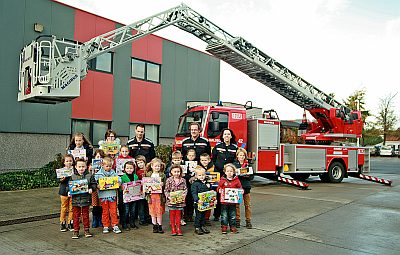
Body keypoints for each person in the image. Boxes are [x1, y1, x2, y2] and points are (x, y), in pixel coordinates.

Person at [211, 128, 238, 221]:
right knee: (218, 193)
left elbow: (235, 160)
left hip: (229, 175)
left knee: (227, 194)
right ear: (222, 136)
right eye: (225, 134)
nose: (226, 136)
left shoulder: (234, 148)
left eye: (228, 134)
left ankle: (227, 215)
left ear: (231, 136)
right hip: (218, 173)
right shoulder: (217, 147)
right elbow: (213, 158)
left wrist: (230, 170)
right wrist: (218, 166)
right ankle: (216, 215)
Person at [70, 158, 97, 239]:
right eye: (79, 166)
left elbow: (94, 184)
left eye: (83, 166)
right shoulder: (72, 176)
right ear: (76, 167)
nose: (81, 168)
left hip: (86, 199)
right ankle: (76, 231)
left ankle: (86, 230)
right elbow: (69, 186)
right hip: (75, 199)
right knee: (76, 216)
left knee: (85, 215)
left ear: (86, 167)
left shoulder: (89, 176)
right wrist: (69, 191)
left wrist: (91, 189)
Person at [95, 157, 122, 234]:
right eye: (107, 166)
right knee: (105, 211)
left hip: (112, 195)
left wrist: (119, 182)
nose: (109, 167)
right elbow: (94, 182)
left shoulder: (113, 172)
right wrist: (97, 185)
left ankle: (115, 225)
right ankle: (106, 225)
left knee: (113, 211)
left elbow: (119, 179)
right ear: (102, 165)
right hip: (103, 196)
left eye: (110, 166)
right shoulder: (98, 174)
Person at [217, 163, 242, 234]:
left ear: (234, 172)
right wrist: (219, 190)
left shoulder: (236, 180)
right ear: (225, 172)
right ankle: (224, 226)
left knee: (233, 215)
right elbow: (218, 187)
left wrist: (241, 191)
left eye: (231, 171)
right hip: (224, 202)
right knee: (224, 215)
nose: (229, 172)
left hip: (232, 202)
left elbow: (239, 188)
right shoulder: (222, 180)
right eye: (227, 171)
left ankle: (233, 226)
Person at [233, 148, 254, 229]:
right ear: (237, 156)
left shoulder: (248, 165)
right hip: (237, 187)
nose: (241, 157)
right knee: (237, 205)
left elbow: (252, 177)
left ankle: (248, 221)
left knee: (247, 205)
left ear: (245, 156)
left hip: (246, 187)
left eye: (243, 155)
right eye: (240, 155)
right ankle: (237, 220)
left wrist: (247, 175)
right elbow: (232, 175)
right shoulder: (234, 165)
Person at [164, 164, 187, 236]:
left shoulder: (183, 180)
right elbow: (166, 190)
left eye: (178, 171)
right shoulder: (169, 180)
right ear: (171, 172)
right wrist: (169, 197)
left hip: (180, 201)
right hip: (171, 201)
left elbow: (185, 189)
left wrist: (183, 195)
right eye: (175, 171)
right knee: (172, 215)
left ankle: (178, 228)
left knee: (178, 215)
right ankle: (173, 229)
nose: (177, 173)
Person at [145, 158, 166, 234]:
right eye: (155, 166)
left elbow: (165, 185)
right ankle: (154, 226)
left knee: (159, 211)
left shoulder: (162, 175)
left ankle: (160, 225)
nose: (157, 167)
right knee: (152, 211)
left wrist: (162, 184)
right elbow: (145, 185)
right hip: (151, 196)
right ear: (152, 166)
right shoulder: (148, 174)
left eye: (158, 166)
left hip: (159, 196)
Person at [114, 145, 134, 228]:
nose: (124, 153)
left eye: (126, 151)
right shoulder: (117, 159)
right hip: (121, 181)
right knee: (122, 203)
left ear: (128, 152)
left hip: (130, 185)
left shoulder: (131, 159)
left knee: (131, 205)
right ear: (120, 151)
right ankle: (123, 220)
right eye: (123, 151)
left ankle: (130, 221)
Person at [191, 167, 212, 235]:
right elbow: (193, 193)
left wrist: (209, 187)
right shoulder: (195, 184)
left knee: (203, 215)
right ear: (196, 176)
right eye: (200, 175)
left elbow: (209, 192)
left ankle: (202, 226)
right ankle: (197, 227)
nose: (202, 177)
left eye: (203, 175)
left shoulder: (206, 183)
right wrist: (197, 200)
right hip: (198, 202)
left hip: (205, 202)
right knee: (198, 215)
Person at [89, 149, 106, 228]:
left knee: (101, 204)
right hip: (94, 188)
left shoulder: (105, 166)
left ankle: (100, 220)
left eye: (101, 157)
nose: (99, 158)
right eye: (98, 156)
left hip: (102, 187)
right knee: (95, 204)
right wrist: (91, 170)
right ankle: (95, 219)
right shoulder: (91, 166)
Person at [120, 161, 139, 230]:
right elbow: (120, 188)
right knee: (126, 211)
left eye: (131, 168)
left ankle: (132, 223)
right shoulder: (122, 177)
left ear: (134, 169)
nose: (129, 169)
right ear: (124, 169)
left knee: (133, 210)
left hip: (134, 197)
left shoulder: (135, 176)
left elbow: (138, 186)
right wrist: (121, 187)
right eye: (127, 168)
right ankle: (124, 224)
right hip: (126, 198)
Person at [58, 154, 74, 232]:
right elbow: (59, 180)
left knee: (72, 208)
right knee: (64, 208)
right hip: (64, 191)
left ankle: (71, 222)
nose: (69, 163)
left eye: (70, 161)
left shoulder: (75, 170)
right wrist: (62, 179)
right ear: (64, 162)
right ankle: (62, 223)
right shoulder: (61, 170)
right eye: (67, 161)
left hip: (72, 191)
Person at [198, 153, 215, 226]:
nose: (204, 162)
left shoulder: (213, 167)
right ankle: (201, 218)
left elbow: (216, 177)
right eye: (202, 160)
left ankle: (207, 218)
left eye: (205, 160)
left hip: (210, 188)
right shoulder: (198, 167)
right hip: (200, 189)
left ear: (209, 160)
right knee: (201, 204)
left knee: (209, 204)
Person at [135, 155, 151, 225]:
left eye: (141, 162)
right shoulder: (137, 172)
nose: (140, 164)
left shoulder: (148, 170)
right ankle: (142, 219)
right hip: (140, 190)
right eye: (138, 163)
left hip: (148, 190)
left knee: (147, 205)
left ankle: (148, 218)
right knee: (141, 206)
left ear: (144, 162)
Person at [183, 149, 196, 223]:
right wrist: (188, 177)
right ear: (187, 156)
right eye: (190, 155)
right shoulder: (184, 164)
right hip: (186, 183)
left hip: (193, 183)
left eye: (193, 155)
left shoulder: (197, 164)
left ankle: (190, 215)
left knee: (191, 199)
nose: (191, 157)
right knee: (186, 199)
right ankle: (185, 215)